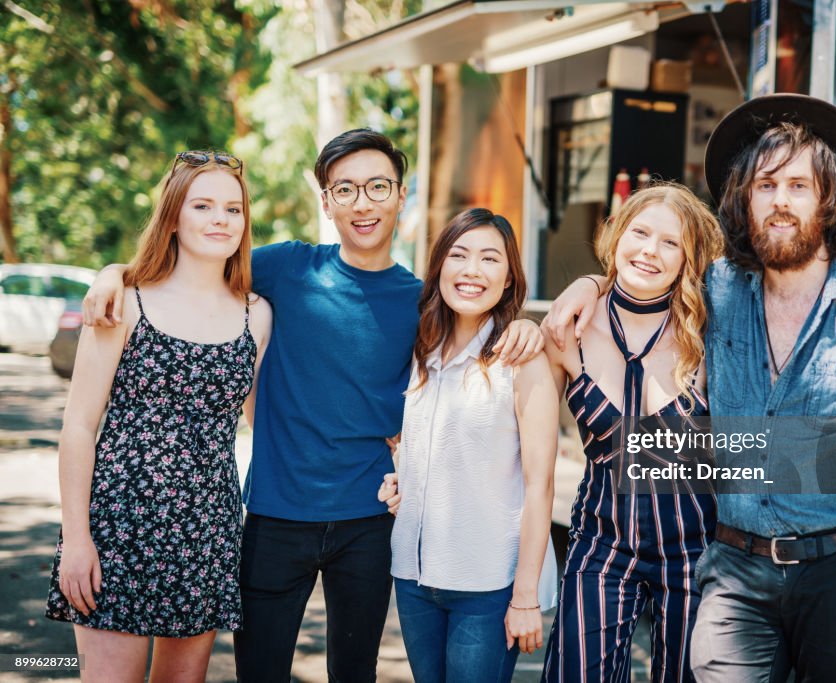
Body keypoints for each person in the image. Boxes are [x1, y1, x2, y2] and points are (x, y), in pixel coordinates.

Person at [542, 94, 836, 682]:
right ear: (745, 198)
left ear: (828, 199)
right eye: (765, 185)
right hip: (734, 569)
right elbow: (646, 269)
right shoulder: (719, 290)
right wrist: (586, 285)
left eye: (798, 185)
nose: (780, 201)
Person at [81, 129, 545, 682]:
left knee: (354, 672)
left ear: (401, 196)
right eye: (344, 189)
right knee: (260, 671)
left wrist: (525, 326)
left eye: (378, 186)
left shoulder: (424, 301)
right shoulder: (284, 267)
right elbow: (192, 260)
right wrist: (115, 273)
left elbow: (479, 318)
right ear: (326, 203)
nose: (363, 202)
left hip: (370, 521)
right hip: (276, 512)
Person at [46, 150, 273, 682]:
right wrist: (77, 539)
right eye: (203, 205)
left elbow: (266, 422)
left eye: (233, 209)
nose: (221, 219)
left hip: (207, 531)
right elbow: (79, 426)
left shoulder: (256, 314)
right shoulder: (123, 300)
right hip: (115, 527)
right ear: (173, 216)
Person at [539, 183, 722, 682]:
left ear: (688, 259)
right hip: (601, 542)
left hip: (695, 548)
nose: (649, 251)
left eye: (671, 243)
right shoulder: (565, 329)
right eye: (640, 232)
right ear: (617, 234)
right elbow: (519, 442)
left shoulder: (710, 331)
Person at [382, 208, 560, 682]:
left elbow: (539, 486)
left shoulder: (522, 360)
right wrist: (402, 475)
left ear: (507, 279)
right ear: (439, 267)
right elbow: (422, 442)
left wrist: (525, 596)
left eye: (489, 258)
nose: (472, 270)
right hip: (415, 576)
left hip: (487, 583)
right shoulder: (421, 351)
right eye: (459, 255)